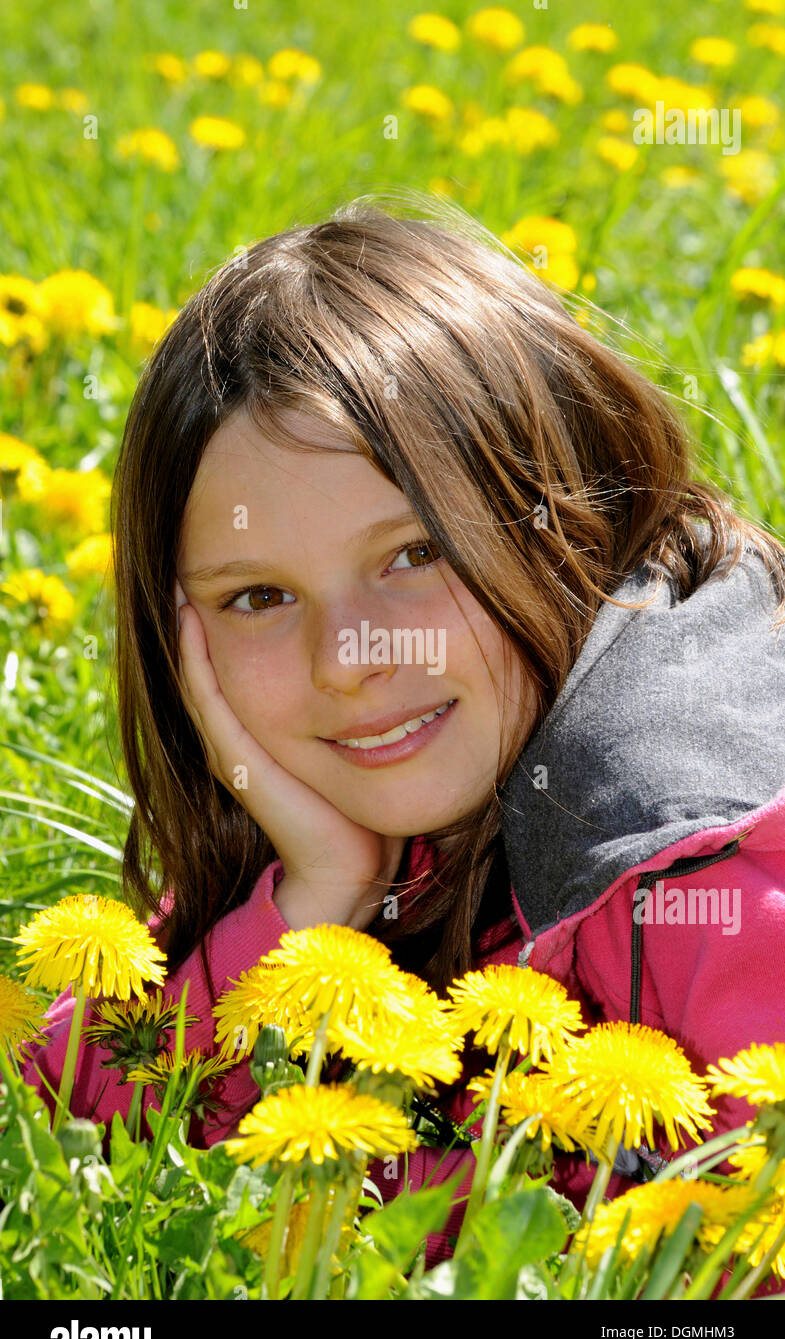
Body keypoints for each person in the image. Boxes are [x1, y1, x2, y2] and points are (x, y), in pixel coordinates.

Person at [21, 195, 785, 1276]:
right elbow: (60, 1135)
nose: (348, 659)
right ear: (177, 640)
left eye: (415, 554)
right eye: (257, 597)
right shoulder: (377, 825)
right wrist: (313, 899)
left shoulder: (706, 877)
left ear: (568, 508)